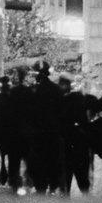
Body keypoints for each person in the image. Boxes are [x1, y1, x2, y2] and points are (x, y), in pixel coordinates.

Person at [29, 61, 64, 194]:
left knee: (38, 164)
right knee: (52, 162)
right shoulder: (56, 90)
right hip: (53, 133)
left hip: (38, 134)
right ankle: (53, 186)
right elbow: (61, 112)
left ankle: (41, 187)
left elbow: (29, 114)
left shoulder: (34, 90)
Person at [58, 74, 91, 195]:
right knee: (82, 176)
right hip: (79, 144)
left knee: (66, 175)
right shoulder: (79, 98)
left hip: (66, 143)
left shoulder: (62, 102)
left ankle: (65, 195)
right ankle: (85, 198)